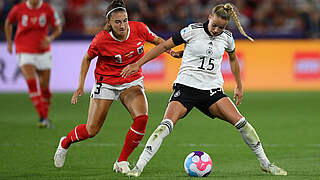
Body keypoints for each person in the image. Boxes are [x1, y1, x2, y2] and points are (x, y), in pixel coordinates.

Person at [121, 3, 288, 177]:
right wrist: (138, 64)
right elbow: (163, 46)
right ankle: (138, 167)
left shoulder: (227, 38)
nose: (216, 30)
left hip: (212, 91)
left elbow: (233, 59)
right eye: (214, 25)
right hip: (185, 88)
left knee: (242, 124)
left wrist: (239, 85)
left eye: (221, 28)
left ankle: (266, 164)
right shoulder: (191, 31)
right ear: (209, 17)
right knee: (165, 126)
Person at [53, 0, 180, 173]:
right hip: (106, 83)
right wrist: (80, 85)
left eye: (125, 20)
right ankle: (65, 142)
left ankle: (121, 161)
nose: (122, 25)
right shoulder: (101, 40)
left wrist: (170, 51)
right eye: (117, 22)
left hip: (131, 81)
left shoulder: (139, 29)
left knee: (142, 118)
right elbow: (87, 59)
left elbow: (157, 40)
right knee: (91, 130)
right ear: (109, 23)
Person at [4, 0, 62, 128]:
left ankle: (44, 118)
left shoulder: (48, 10)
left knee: (45, 88)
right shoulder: (19, 8)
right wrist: (9, 42)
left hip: (43, 51)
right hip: (24, 49)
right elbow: (8, 23)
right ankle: (42, 117)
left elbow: (58, 28)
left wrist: (50, 38)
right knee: (31, 83)